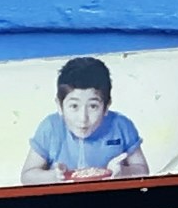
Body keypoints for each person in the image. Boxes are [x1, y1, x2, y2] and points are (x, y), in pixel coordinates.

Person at [19, 55, 148, 183]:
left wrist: (123, 172)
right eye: (74, 106)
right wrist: (54, 176)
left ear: (106, 106)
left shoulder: (121, 126)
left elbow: (143, 170)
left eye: (93, 106)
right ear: (59, 106)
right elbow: (27, 176)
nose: (83, 118)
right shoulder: (50, 128)